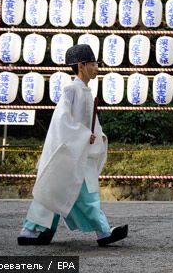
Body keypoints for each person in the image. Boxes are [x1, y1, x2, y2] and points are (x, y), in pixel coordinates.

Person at [17, 44, 128, 246]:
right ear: (81, 65)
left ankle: (34, 231)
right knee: (55, 191)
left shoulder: (85, 91)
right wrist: (85, 135)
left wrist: (97, 136)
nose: (97, 68)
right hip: (67, 152)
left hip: (81, 151)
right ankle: (30, 230)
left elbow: (91, 125)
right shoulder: (71, 90)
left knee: (72, 192)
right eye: (93, 64)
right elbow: (62, 121)